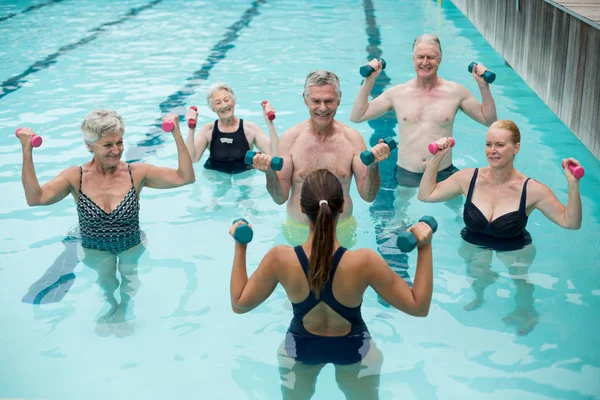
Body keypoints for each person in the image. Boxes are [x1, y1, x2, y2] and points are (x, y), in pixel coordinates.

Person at [229, 169, 434, 399]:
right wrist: (425, 247)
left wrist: (240, 245)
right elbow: (418, 307)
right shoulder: (364, 262)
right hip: (354, 349)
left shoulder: (280, 259)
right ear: (343, 206)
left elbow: (239, 304)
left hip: (300, 347)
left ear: (302, 208)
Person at [17, 109, 195, 336]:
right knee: (107, 280)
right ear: (90, 145)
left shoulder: (136, 172)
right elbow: (35, 198)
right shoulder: (76, 176)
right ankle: (111, 304)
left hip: (131, 242)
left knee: (129, 279)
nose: (117, 150)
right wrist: (27, 150)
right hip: (94, 246)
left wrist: (177, 134)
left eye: (119, 142)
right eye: (107, 145)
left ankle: (123, 307)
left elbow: (185, 177)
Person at [418, 120, 582, 334]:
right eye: (488, 144)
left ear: (516, 148)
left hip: (514, 246)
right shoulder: (469, 178)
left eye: (500, 145)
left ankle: (526, 311)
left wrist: (573, 185)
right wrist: (436, 159)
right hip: (474, 241)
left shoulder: (532, 190)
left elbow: (570, 222)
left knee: (520, 280)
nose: (492, 151)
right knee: (477, 272)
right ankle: (479, 294)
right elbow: (425, 195)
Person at [251, 70, 392, 248]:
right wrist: (269, 173)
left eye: (329, 101)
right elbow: (280, 198)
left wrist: (373, 166)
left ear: (339, 99)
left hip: (341, 230)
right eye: (316, 101)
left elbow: (368, 195)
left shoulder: (352, 139)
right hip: (299, 230)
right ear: (305, 99)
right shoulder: (291, 139)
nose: (323, 108)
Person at [350, 33, 497, 187]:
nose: (425, 62)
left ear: (440, 59)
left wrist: (483, 86)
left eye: (431, 57)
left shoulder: (456, 92)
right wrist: (369, 81)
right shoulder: (398, 93)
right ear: (413, 59)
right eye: (420, 57)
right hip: (406, 172)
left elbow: (489, 120)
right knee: (402, 211)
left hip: (444, 173)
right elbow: (357, 116)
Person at [185, 82, 277, 174]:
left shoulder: (250, 129)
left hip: (244, 175)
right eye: (218, 103)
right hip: (215, 175)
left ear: (233, 101)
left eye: (226, 100)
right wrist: (191, 129)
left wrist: (270, 124)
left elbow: (274, 154)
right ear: (212, 108)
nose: (224, 106)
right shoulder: (208, 131)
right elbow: (193, 159)